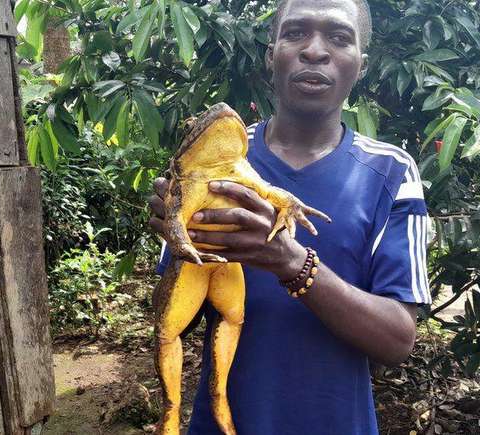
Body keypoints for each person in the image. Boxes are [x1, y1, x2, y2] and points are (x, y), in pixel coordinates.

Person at [148, 0, 430, 433]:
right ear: (271, 53)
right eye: (296, 33)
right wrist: (178, 232)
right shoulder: (213, 159)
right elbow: (174, 323)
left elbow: (397, 340)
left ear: (362, 65)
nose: (314, 50)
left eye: (339, 37)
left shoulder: (391, 172)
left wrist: (291, 262)